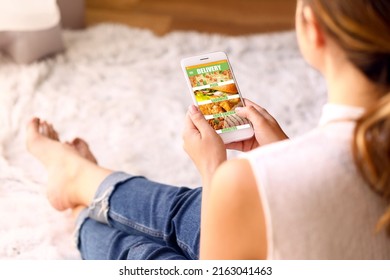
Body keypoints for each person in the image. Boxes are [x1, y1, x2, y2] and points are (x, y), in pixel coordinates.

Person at [26, 0, 390, 259]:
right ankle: (80, 177)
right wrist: (282, 157)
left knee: (144, 259)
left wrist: (215, 172)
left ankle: (80, 216)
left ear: (312, 29)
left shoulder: (242, 182)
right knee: (188, 210)